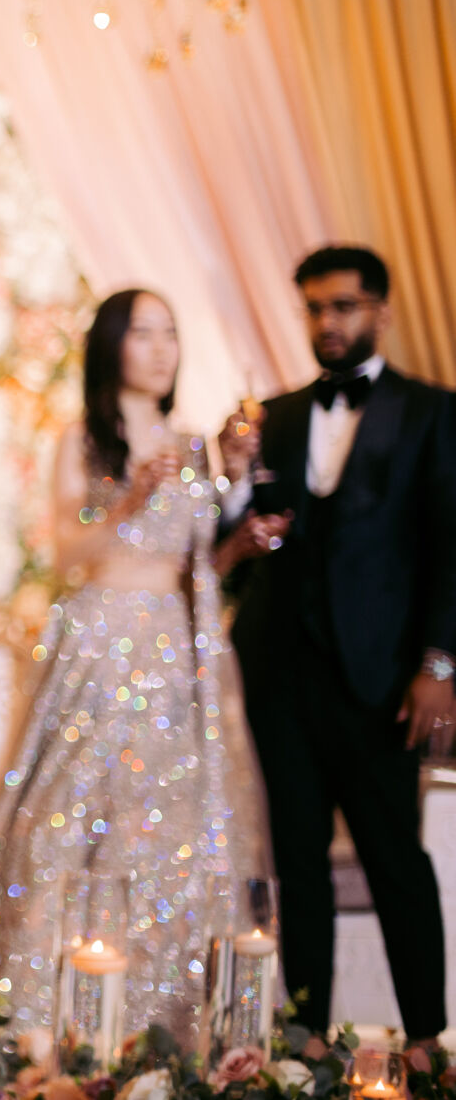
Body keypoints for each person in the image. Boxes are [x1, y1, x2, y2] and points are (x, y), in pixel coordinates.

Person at [0, 289, 269, 1047]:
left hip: (177, 651)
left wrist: (237, 493)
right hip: (103, 638)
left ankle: (158, 1023)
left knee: (169, 833)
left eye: (170, 333)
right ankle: (41, 1023)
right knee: (67, 821)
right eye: (143, 334)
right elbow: (69, 554)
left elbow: (199, 562)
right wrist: (129, 498)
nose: (161, 349)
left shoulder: (192, 442)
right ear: (111, 346)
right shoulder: (82, 439)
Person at [220, 244, 454, 1047]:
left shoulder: (431, 412)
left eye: (343, 306)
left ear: (379, 312)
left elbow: (450, 550)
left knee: (394, 860)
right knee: (295, 865)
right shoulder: (271, 418)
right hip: (277, 675)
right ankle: (304, 1046)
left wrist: (437, 664)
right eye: (315, 308)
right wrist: (233, 486)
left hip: (380, 679)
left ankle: (424, 1044)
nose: (327, 322)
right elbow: (234, 543)